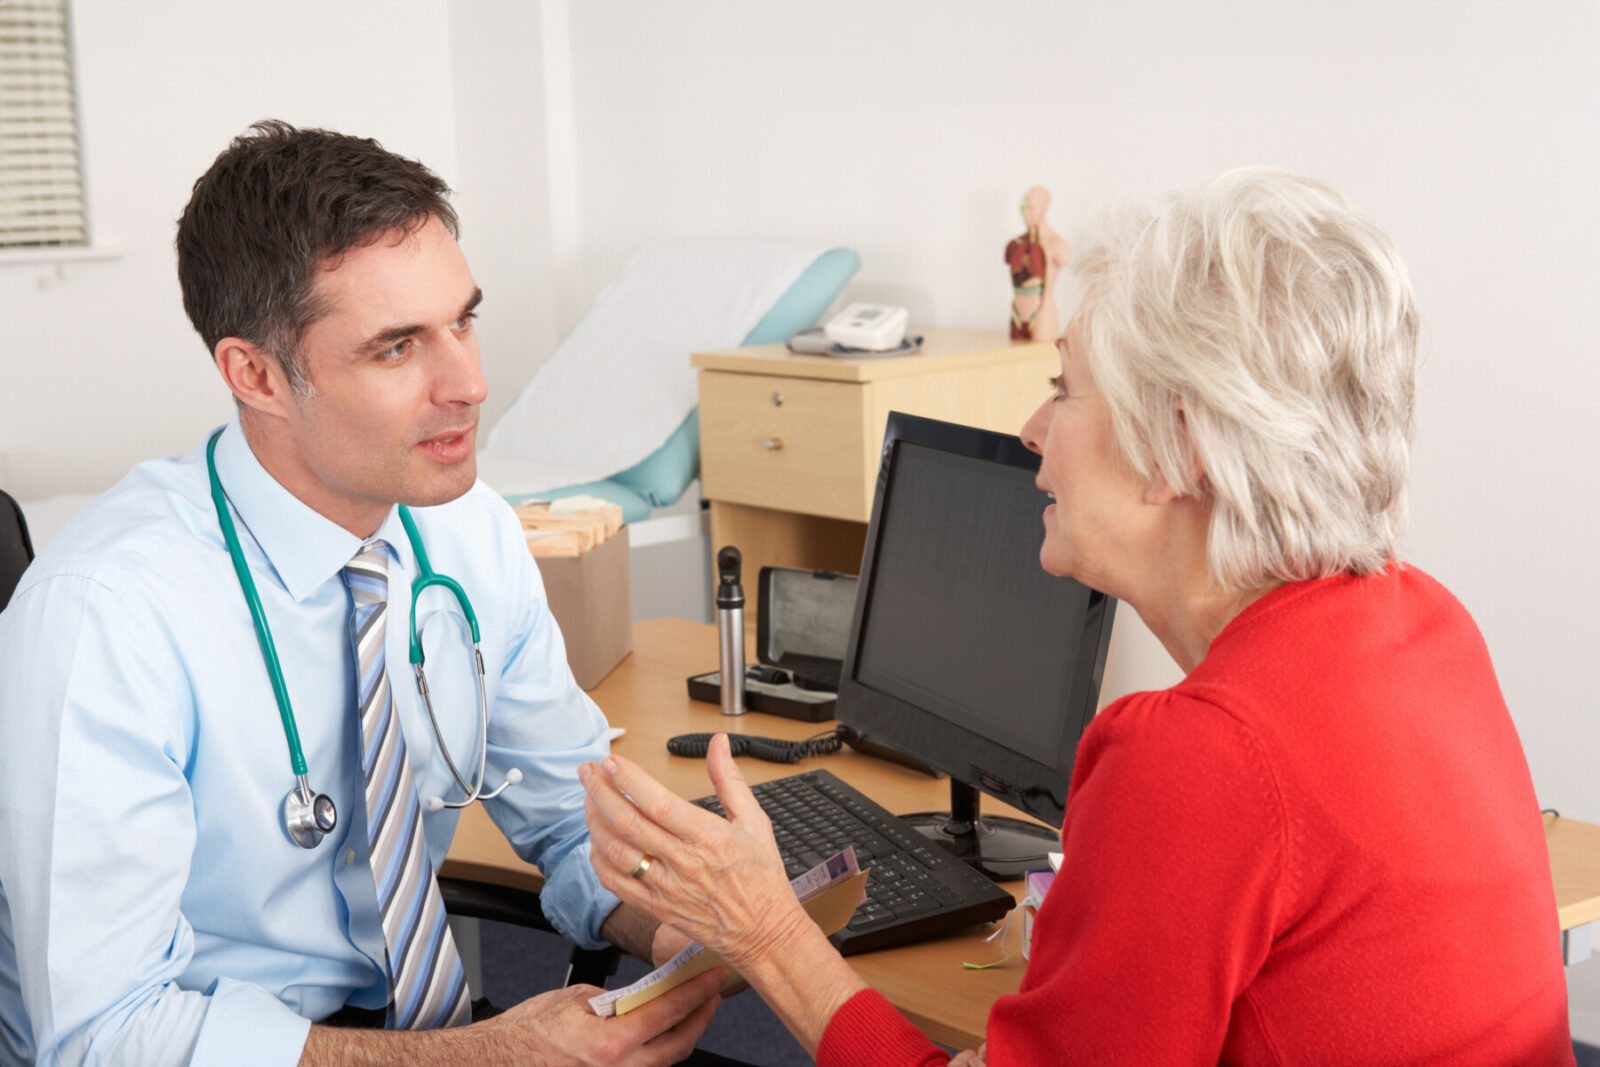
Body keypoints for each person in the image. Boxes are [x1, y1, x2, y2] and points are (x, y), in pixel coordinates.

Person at [578, 168, 1575, 1065]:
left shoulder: (1195, 758)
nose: (1033, 430)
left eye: (1064, 391)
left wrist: (768, 928)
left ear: (1179, 449)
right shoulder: (1423, 617)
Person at [0, 121, 730, 1066]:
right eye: (397, 348)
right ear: (255, 374)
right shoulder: (105, 613)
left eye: (464, 320)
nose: (469, 382)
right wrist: (490, 1057)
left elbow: (566, 813)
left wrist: (683, 934)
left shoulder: (470, 532)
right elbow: (108, 1032)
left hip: (422, 1032)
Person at [1004, 185, 1069, 342]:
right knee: (1015, 360)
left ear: (1044, 208)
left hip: (1042, 314)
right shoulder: (1015, 244)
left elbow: (1065, 258)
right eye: (1024, 207)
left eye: (1031, 208)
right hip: (1017, 313)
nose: (1025, 212)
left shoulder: (1056, 244)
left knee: (1042, 359)